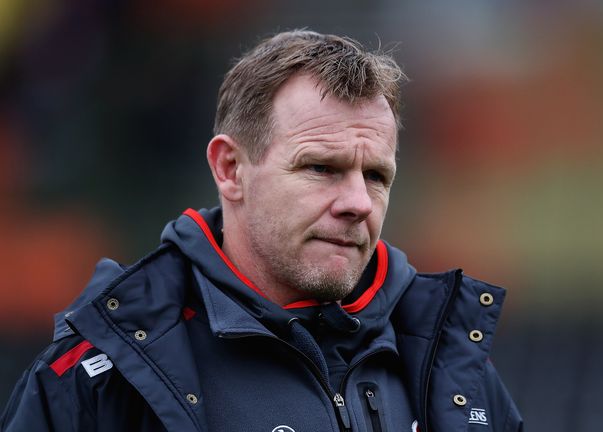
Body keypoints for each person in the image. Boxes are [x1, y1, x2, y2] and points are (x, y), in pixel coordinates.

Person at [1, 30, 523, 431]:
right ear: (230, 168)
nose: (358, 203)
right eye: (321, 168)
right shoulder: (107, 368)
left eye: (377, 175)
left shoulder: (448, 359)